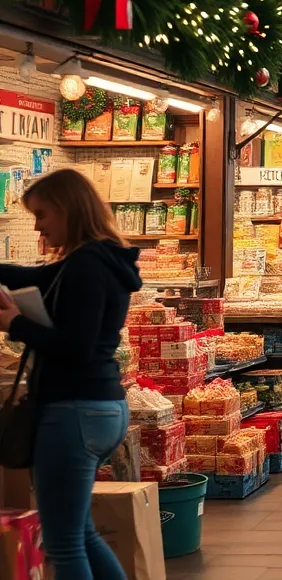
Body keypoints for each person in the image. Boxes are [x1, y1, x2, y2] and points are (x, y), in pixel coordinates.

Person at [0, 169, 139, 579]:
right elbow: (31, 276)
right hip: (99, 407)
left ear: (66, 209)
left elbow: (75, 346)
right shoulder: (89, 260)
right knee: (81, 533)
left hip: (76, 410)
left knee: (62, 542)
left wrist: (14, 326)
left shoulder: (86, 266)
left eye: (42, 215)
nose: (38, 226)